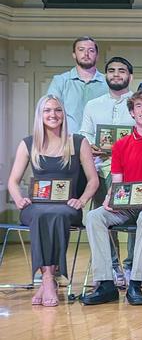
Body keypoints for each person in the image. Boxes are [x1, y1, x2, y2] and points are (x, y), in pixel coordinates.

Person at [81, 86, 142, 306]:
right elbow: (117, 185)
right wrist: (110, 198)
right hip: (127, 207)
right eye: (139, 106)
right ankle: (106, 283)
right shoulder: (120, 145)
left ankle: (135, 282)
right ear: (132, 112)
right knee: (94, 217)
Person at [7, 95, 99, 306]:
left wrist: (82, 200)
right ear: (40, 115)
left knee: (55, 215)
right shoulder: (28, 143)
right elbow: (13, 181)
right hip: (35, 206)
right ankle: (48, 278)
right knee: (41, 214)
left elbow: (93, 180)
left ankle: (47, 279)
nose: (53, 115)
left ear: (63, 114)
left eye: (57, 110)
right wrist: (19, 200)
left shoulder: (78, 142)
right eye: (47, 110)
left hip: (68, 206)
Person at [80, 57, 142, 286]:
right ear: (105, 75)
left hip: (135, 170)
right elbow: (84, 135)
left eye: (122, 71)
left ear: (130, 76)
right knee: (103, 217)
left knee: (139, 213)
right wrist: (94, 147)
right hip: (101, 168)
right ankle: (111, 269)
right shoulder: (93, 105)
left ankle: (130, 267)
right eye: (112, 70)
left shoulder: (141, 102)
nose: (116, 74)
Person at [47, 36, 108, 134]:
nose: (86, 54)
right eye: (81, 50)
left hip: (99, 144)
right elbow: (50, 114)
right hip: (68, 142)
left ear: (97, 56)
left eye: (91, 50)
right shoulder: (60, 81)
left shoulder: (108, 82)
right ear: (74, 55)